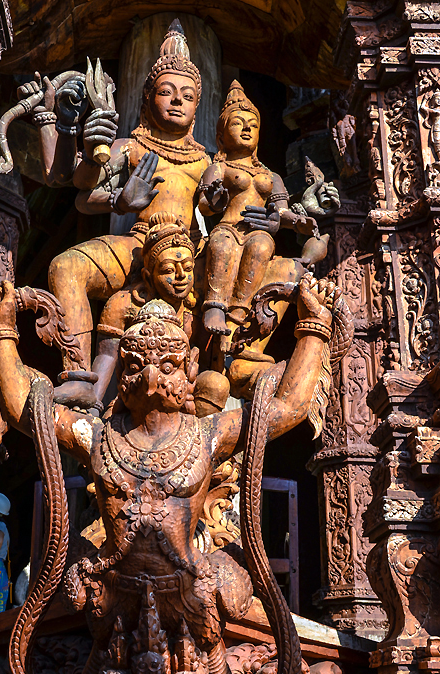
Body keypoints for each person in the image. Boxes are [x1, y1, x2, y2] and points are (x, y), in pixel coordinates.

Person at [0, 273, 341, 674]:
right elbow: (27, 409)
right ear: (120, 376)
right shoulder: (99, 437)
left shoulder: (208, 435)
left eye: (167, 365)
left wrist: (313, 325)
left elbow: (288, 407)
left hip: (191, 588)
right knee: (81, 585)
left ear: (189, 369)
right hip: (114, 587)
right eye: (135, 366)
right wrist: (2, 330)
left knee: (220, 588)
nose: (151, 377)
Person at [18, 20, 211, 382]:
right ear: (147, 99)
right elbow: (83, 195)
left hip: (188, 252)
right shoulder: (131, 147)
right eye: (166, 92)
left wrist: (217, 199)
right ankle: (77, 374)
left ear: (197, 108)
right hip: (138, 243)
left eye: (187, 96)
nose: (177, 101)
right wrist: (121, 201)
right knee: (66, 267)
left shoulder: (204, 161)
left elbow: (213, 206)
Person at [198, 81, 320, 337]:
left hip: (258, 231)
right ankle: (214, 306)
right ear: (221, 136)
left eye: (253, 125)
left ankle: (240, 310)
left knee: (262, 247)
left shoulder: (271, 176)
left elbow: (281, 212)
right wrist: (216, 202)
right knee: (221, 245)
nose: (246, 129)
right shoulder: (218, 168)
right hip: (228, 226)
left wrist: (297, 222)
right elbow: (204, 206)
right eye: (237, 123)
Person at [89, 211, 230, 416]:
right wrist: (92, 407)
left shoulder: (196, 313)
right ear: (148, 276)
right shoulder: (123, 305)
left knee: (216, 383)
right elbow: (107, 357)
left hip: (181, 396)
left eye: (188, 268)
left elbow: (209, 364)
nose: (181, 276)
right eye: (169, 270)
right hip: (135, 393)